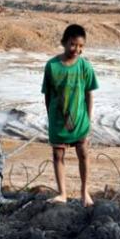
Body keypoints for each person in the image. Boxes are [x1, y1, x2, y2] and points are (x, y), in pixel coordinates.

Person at [42, 24, 99, 206]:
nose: (77, 49)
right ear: (63, 43)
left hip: (80, 120)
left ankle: (84, 192)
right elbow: (48, 94)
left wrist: (88, 120)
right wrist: (51, 118)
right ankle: (63, 193)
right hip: (58, 120)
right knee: (58, 155)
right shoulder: (52, 66)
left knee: (83, 154)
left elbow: (89, 93)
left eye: (81, 46)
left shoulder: (84, 66)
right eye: (73, 44)